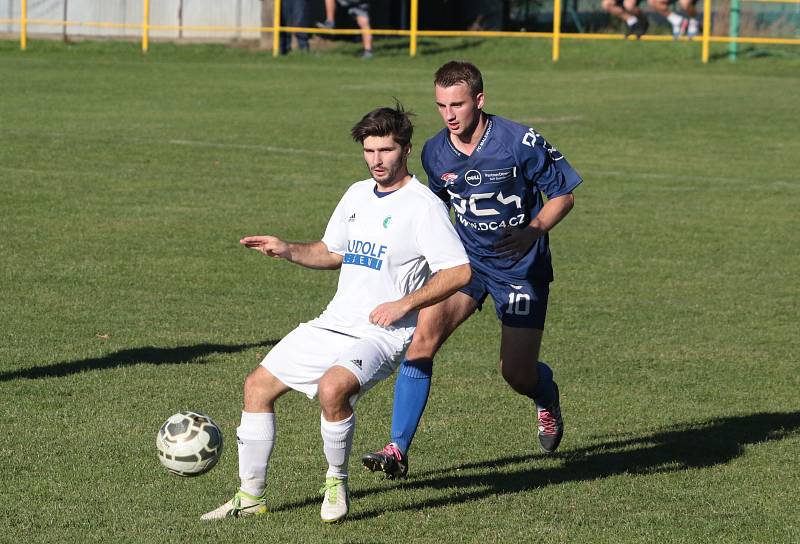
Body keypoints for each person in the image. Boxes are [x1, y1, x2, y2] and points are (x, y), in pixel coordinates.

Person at [201, 104, 471, 523]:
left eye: (385, 150)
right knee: (257, 386)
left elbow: (458, 271)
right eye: (369, 151)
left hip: (382, 333)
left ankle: (336, 481)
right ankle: (250, 496)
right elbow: (333, 252)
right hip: (333, 322)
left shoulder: (423, 207)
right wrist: (287, 249)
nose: (377, 160)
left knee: (332, 390)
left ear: (406, 149)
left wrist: (405, 304)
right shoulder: (356, 194)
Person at [361, 61, 582, 480]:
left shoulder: (520, 141)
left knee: (515, 373)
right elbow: (437, 207)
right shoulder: (434, 151)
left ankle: (545, 393)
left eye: (458, 104)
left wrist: (533, 231)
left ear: (479, 101)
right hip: (466, 265)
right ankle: (397, 448)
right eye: (442, 105)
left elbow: (564, 194)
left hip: (521, 269)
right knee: (422, 340)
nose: (449, 114)